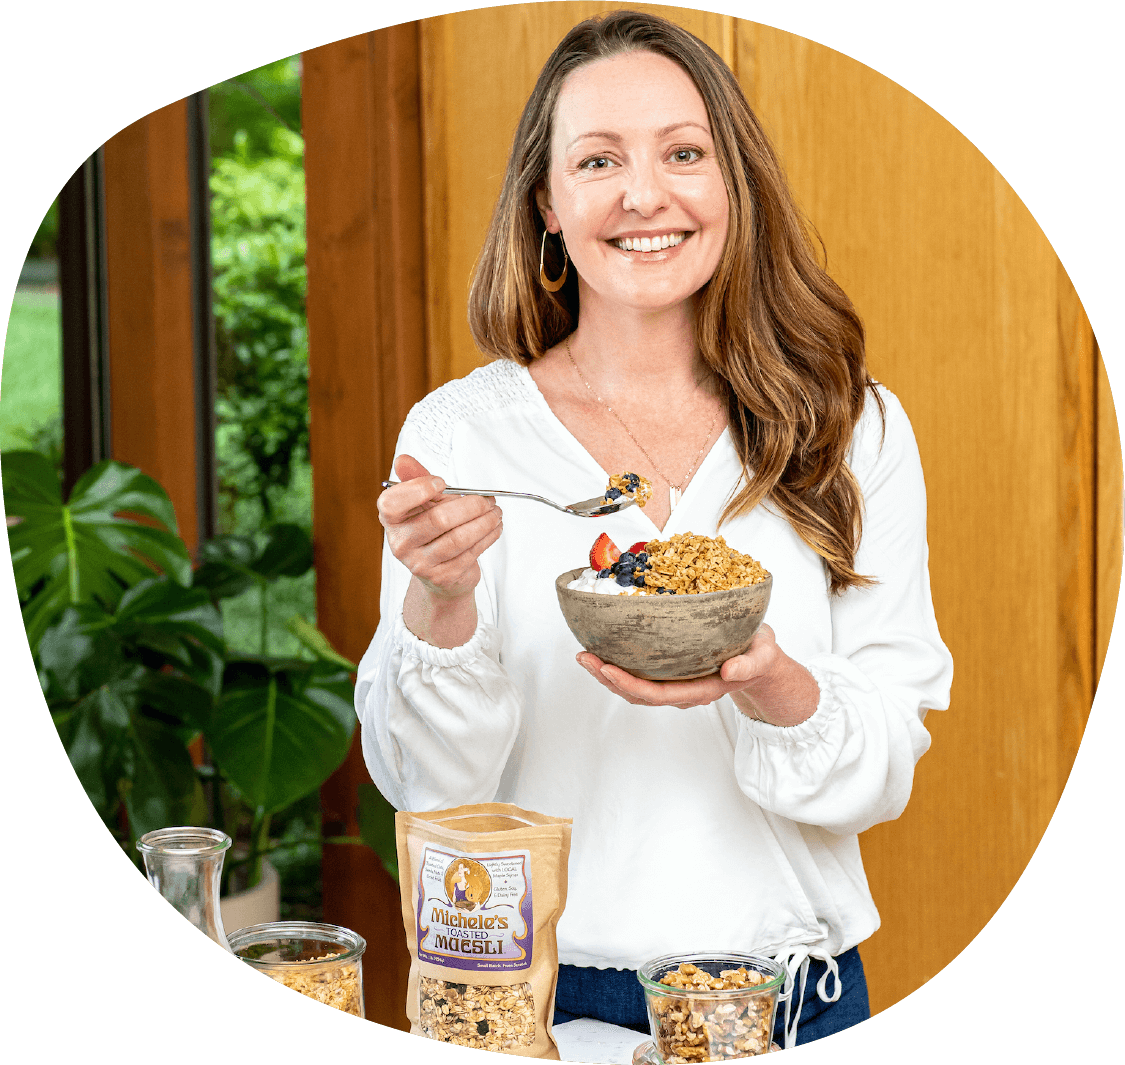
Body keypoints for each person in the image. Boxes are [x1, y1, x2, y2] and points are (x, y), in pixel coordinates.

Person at [355, 10, 953, 1049]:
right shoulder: (463, 433)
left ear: (735, 186)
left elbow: (883, 769)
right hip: (532, 1004)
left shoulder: (849, 428)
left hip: (787, 1005)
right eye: (598, 160)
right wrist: (440, 598)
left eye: (685, 153)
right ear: (546, 202)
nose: (645, 196)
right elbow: (428, 789)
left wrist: (768, 682)